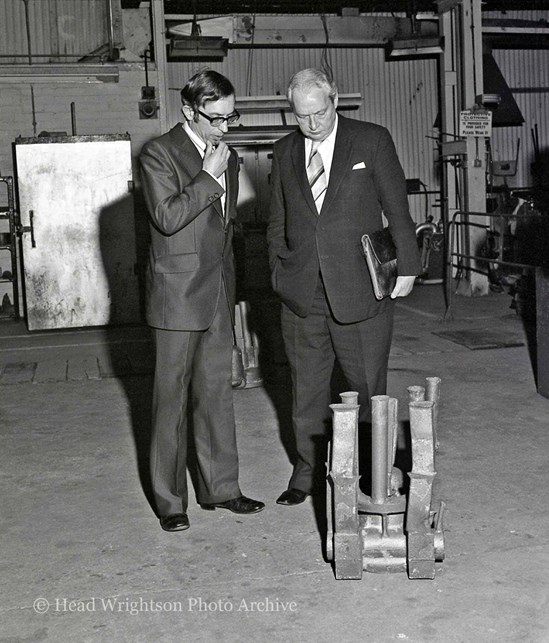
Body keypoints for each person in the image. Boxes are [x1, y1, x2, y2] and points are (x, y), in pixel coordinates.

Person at [267, 68, 421, 506]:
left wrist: (407, 266)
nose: (312, 125)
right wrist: (280, 273)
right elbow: (276, 222)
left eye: (319, 112)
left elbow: (397, 208)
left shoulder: (370, 139)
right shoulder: (283, 152)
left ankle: (375, 473)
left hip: (361, 290)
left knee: (370, 390)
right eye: (301, 117)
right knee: (306, 392)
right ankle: (307, 473)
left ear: (335, 100)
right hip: (303, 295)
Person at [140, 70, 264, 532]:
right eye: (216, 119)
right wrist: (209, 177)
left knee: (216, 394)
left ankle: (222, 488)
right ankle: (171, 502)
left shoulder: (226, 154)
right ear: (190, 112)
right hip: (176, 296)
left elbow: (225, 227)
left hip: (217, 291)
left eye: (232, 117)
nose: (226, 128)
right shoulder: (158, 153)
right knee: (169, 401)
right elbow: (167, 217)